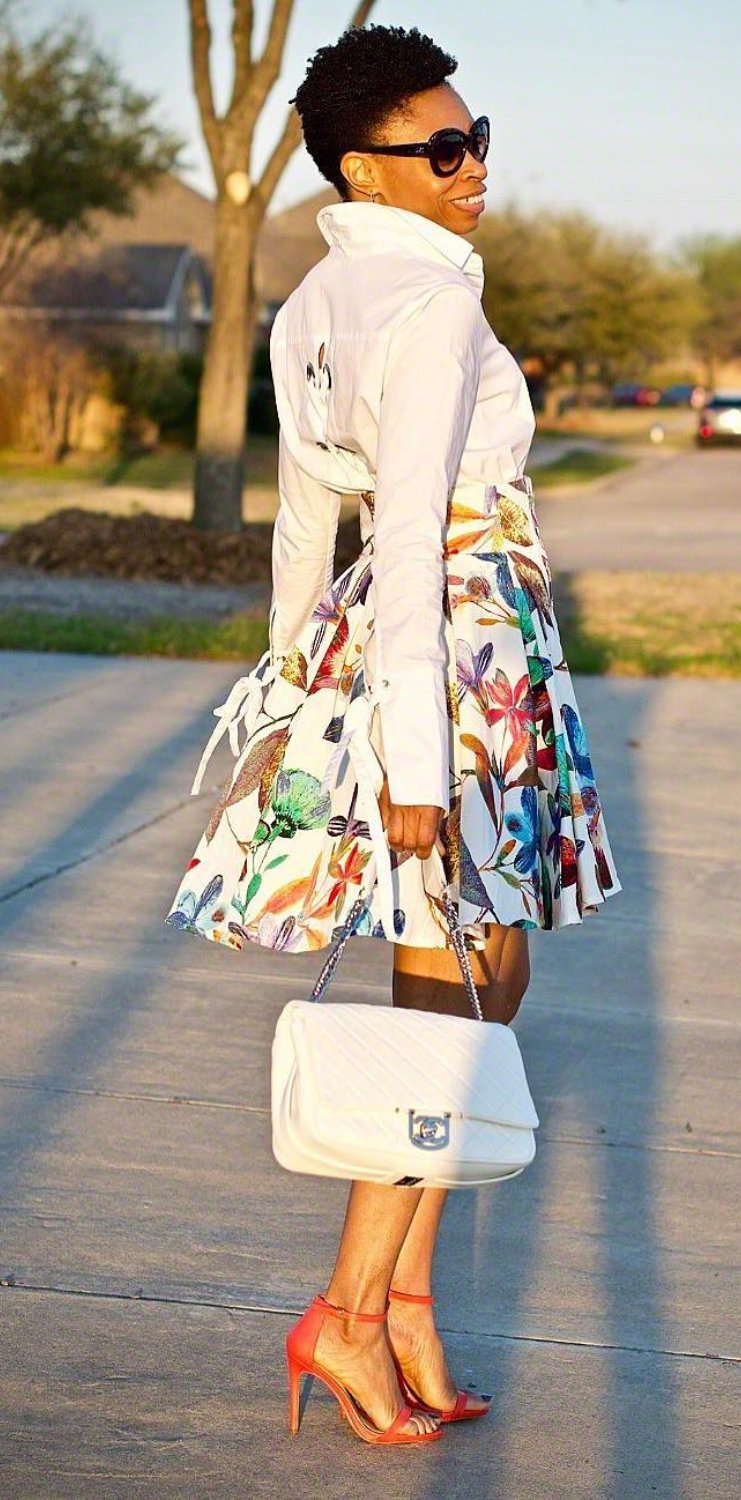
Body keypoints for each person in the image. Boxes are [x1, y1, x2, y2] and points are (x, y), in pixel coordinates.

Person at [164, 23, 622, 1447]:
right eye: (443, 148)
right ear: (371, 167)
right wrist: (411, 770)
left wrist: (294, 688)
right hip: (457, 651)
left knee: (495, 965)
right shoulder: (427, 309)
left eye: (477, 136)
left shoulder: (312, 307)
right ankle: (351, 1315)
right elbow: (406, 536)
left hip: (422, 647)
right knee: (449, 985)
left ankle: (402, 1300)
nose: (472, 165)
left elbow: (310, 532)